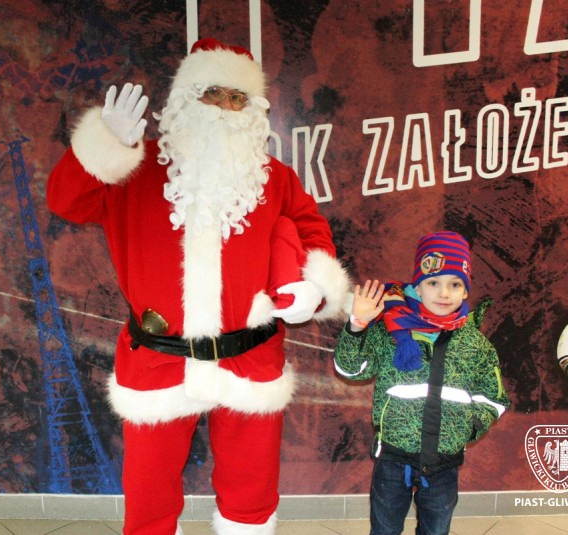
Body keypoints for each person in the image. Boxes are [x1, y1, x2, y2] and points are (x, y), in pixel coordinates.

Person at [46, 38, 350, 535]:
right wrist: (105, 144)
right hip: (158, 358)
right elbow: (65, 202)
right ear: (186, 98)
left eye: (237, 98)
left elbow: (309, 227)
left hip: (250, 356)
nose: (225, 107)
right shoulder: (132, 167)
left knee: (251, 486)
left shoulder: (275, 178)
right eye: (213, 93)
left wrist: (314, 286)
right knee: (149, 489)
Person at [333, 231, 508, 535]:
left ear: (465, 291)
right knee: (385, 529)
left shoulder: (475, 345)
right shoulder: (389, 330)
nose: (444, 293)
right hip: (393, 458)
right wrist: (357, 326)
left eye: (455, 284)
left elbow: (494, 397)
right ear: (418, 286)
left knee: (436, 530)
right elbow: (351, 370)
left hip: (444, 463)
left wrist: (469, 426)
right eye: (433, 283)